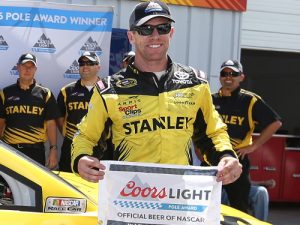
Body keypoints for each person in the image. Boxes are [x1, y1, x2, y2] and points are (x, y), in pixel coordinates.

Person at [71, 0, 242, 185]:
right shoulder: (110, 89)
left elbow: (213, 133)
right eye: (145, 29)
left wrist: (226, 155)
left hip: (178, 196)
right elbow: (86, 136)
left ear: (171, 33)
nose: (155, 35)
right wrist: (81, 158)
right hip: (128, 195)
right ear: (131, 36)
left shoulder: (195, 82)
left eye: (163, 28)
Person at [212, 59, 282, 213]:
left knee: (239, 208)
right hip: (210, 162)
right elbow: (199, 127)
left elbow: (275, 123)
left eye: (233, 73)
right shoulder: (210, 99)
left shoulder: (250, 100)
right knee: (208, 207)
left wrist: (254, 146)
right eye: (225, 73)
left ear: (241, 77)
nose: (228, 77)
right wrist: (198, 148)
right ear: (220, 77)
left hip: (237, 161)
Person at [0, 53, 60, 169]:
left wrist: (53, 149)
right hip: (11, 151)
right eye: (24, 66)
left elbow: (51, 124)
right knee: (10, 186)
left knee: (35, 186)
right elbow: (1, 122)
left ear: (35, 69)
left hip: (36, 151)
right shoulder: (5, 93)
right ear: (17, 67)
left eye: (31, 66)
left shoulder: (45, 93)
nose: (27, 69)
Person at [57, 51, 104, 172]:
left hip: (101, 147)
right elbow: (60, 119)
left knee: (99, 186)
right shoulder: (66, 91)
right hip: (71, 146)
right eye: (82, 63)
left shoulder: (109, 90)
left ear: (98, 67)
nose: (85, 66)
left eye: (90, 63)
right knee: (68, 185)